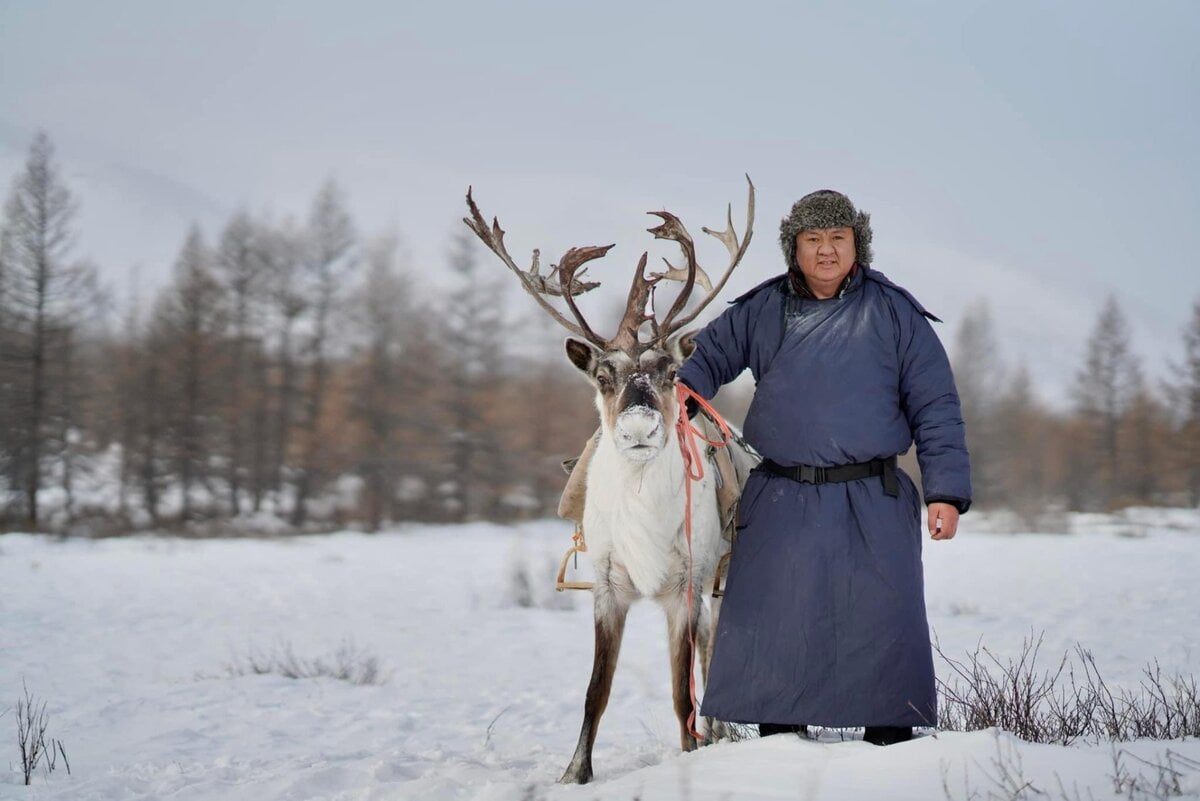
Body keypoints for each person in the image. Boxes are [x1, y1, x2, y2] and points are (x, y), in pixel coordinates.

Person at [676, 189, 971, 745]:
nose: (827, 250)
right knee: (779, 627)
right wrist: (687, 391)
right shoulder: (763, 309)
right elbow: (708, 358)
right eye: (814, 239)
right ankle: (779, 748)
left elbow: (936, 407)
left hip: (874, 498)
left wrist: (946, 493)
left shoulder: (895, 312)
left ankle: (891, 749)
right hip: (782, 499)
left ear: (857, 244)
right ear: (795, 248)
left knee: (882, 623)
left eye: (838, 238)